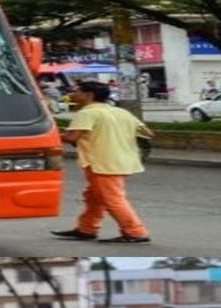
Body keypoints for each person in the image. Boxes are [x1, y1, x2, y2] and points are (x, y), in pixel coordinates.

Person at [51, 81, 153, 244]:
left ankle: (135, 232)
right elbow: (147, 133)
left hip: (102, 163)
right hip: (124, 160)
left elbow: (72, 137)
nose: (72, 95)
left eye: (76, 91)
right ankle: (87, 229)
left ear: (89, 95)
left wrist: (50, 133)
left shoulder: (88, 113)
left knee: (112, 199)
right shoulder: (121, 112)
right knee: (95, 197)